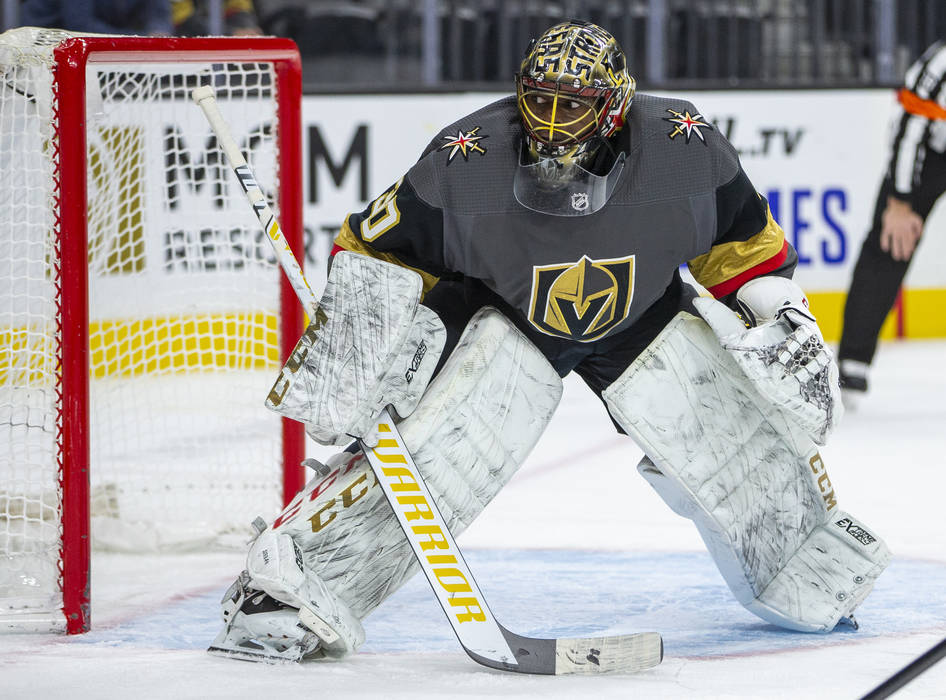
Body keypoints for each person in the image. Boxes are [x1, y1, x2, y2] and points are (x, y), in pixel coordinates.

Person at [208, 21, 891, 663]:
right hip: (506, 309)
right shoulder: (465, 159)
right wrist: (360, 348)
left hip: (642, 309)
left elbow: (745, 252)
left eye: (574, 104)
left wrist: (783, 315)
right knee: (443, 452)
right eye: (539, 99)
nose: (552, 122)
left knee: (728, 439)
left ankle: (804, 566)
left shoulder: (685, 146)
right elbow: (376, 250)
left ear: (616, 107)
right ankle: (287, 586)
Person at [838, 40, 946, 404]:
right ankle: (854, 359)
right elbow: (908, 130)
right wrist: (900, 202)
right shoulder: (942, 63)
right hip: (930, 153)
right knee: (890, 243)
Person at [19, 0, 173, 36]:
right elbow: (80, 25)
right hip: (41, 47)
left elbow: (159, 14)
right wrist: (138, 40)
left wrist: (158, 32)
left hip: (105, 42)